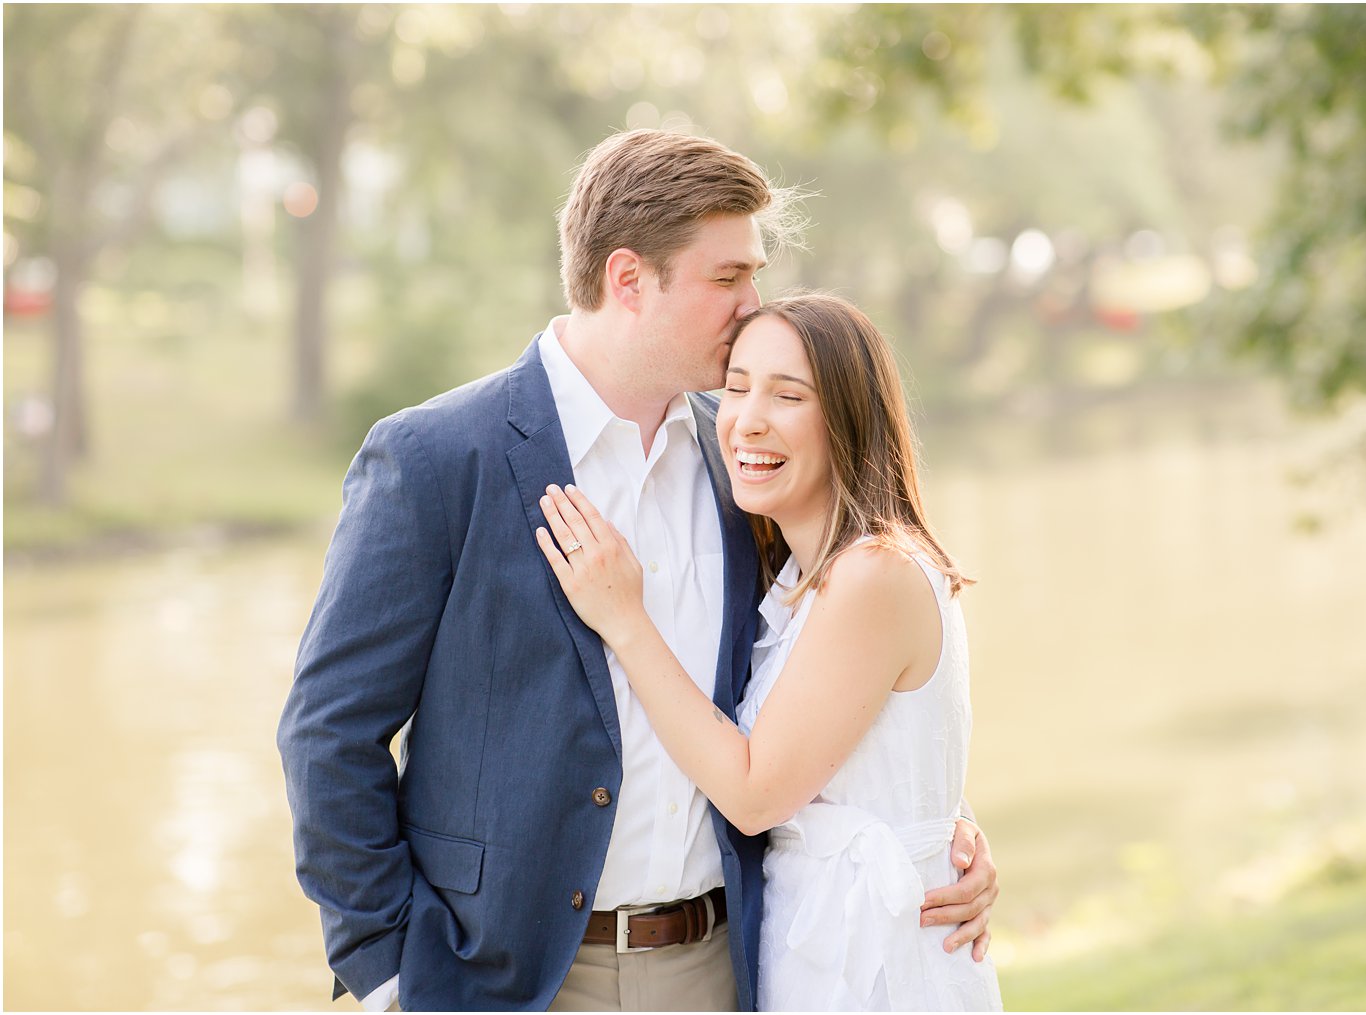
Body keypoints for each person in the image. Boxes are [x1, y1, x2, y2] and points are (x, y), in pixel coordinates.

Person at [276, 129, 999, 1012]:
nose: (751, 304)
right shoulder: (436, 459)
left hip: (727, 963)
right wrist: (389, 971)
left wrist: (930, 834)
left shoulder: (744, 459)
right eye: (727, 278)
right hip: (508, 976)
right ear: (628, 279)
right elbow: (329, 734)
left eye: (754, 275)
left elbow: (828, 685)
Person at [536, 293, 1004, 1010]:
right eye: (736, 386)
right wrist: (951, 822)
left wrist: (624, 620)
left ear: (849, 417)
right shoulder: (796, 571)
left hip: (875, 965)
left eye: (788, 395)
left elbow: (755, 794)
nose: (746, 419)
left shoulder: (873, 573)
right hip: (809, 947)